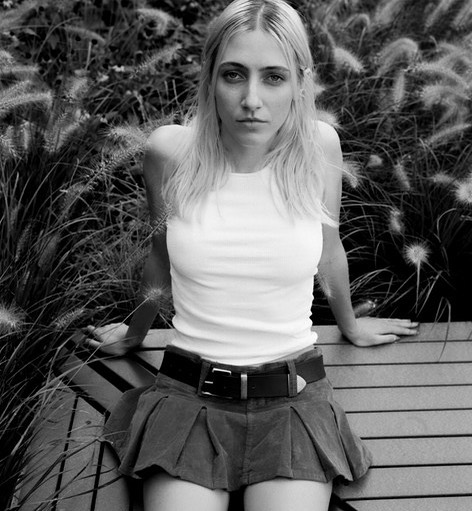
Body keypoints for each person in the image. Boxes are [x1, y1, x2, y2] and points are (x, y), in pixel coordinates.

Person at [87, 1, 419, 510]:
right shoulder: (170, 153)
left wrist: (350, 326)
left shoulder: (318, 149)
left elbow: (329, 248)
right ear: (210, 78)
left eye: (274, 77)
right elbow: (160, 255)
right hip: (188, 397)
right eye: (234, 75)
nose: (251, 100)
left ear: (300, 83)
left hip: (292, 401)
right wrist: (133, 335)